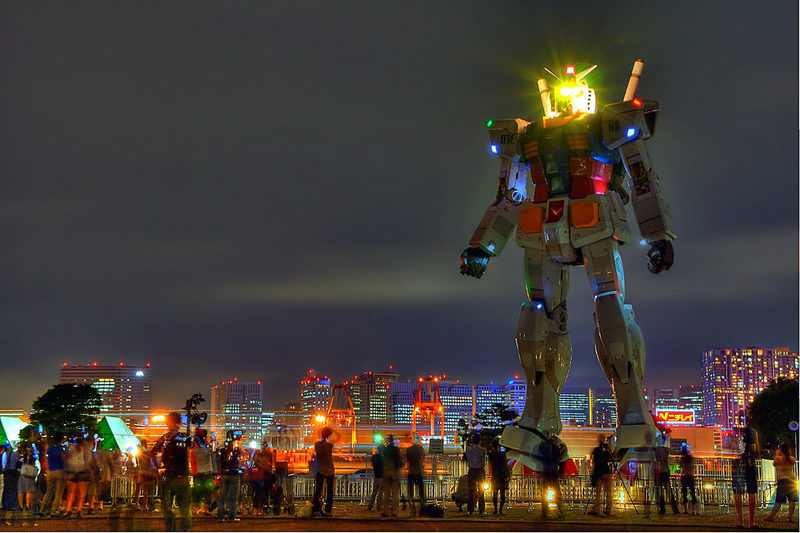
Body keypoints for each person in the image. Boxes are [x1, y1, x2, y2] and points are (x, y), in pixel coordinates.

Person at [153, 412, 191, 531]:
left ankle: (172, 527)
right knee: (183, 506)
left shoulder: (165, 438)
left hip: (171, 475)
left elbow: (153, 452)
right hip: (181, 475)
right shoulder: (185, 437)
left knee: (168, 505)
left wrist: (159, 467)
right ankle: (182, 528)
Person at [732, 426, 760, 529]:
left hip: (738, 466)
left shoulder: (740, 442)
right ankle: (752, 521)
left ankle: (739, 521)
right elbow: (756, 455)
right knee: (752, 492)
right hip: (751, 466)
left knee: (738, 492)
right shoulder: (754, 445)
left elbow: (734, 453)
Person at [765, 443, 797, 522]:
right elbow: (793, 462)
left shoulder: (777, 459)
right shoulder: (792, 459)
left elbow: (774, 464)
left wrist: (778, 453)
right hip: (792, 481)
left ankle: (771, 516)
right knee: (792, 501)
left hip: (782, 481)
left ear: (781, 450)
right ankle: (790, 517)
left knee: (778, 500)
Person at [217, 432, 242, 522]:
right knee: (233, 497)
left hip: (224, 474)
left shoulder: (223, 450)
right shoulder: (236, 450)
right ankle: (231, 517)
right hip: (234, 474)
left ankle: (221, 516)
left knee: (222, 497)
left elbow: (219, 461)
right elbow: (240, 460)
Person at [63, 437, 92, 517]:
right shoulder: (86, 450)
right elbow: (88, 461)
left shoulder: (71, 448)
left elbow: (66, 459)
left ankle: (68, 509)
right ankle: (79, 509)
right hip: (82, 471)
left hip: (72, 471)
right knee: (81, 492)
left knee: (71, 492)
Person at [311, 427, 336, 517]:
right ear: (329, 435)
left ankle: (315, 509)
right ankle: (328, 510)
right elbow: (339, 438)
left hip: (321, 470)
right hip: (329, 470)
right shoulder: (329, 446)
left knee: (318, 490)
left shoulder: (317, 445)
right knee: (330, 492)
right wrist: (334, 430)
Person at [189, 430, 215, 516]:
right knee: (208, 492)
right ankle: (206, 509)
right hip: (207, 474)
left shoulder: (194, 451)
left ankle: (195, 509)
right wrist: (212, 439)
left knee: (198, 492)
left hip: (198, 474)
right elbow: (214, 450)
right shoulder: (206, 451)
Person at [539, 434, 564, 519]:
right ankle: (561, 511)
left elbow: (540, 456)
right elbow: (559, 459)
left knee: (544, 492)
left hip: (546, 471)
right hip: (553, 471)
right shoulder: (555, 448)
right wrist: (561, 470)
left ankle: (544, 512)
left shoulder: (543, 446)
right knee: (557, 492)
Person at [40, 436, 66, 517]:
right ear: (61, 440)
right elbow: (64, 458)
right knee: (58, 492)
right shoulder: (60, 448)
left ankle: (43, 509)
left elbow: (46, 457)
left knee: (49, 491)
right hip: (59, 471)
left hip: (51, 471)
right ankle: (54, 510)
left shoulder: (50, 448)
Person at [589, 434, 613, 516]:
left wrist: (593, 473)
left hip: (599, 473)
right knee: (608, 492)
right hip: (606, 472)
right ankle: (608, 509)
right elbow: (610, 458)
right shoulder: (607, 450)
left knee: (598, 492)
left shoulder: (596, 451)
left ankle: (596, 509)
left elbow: (594, 462)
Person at [654, 437, 679, 514]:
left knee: (661, 491)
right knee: (668, 490)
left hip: (661, 472)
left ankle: (662, 509)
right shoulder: (666, 449)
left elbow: (657, 459)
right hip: (666, 471)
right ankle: (674, 509)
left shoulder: (657, 449)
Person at [463, 434, 486, 515]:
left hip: (471, 470)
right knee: (481, 490)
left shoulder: (468, 449)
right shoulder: (483, 450)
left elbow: (465, 457)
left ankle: (470, 509)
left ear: (472, 441)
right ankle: (482, 510)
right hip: (480, 470)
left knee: (470, 491)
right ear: (480, 440)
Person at [380, 435, 401, 518]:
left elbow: (383, 460)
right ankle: (395, 511)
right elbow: (399, 461)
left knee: (387, 493)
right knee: (395, 493)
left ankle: (386, 511)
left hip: (386, 471)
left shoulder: (385, 450)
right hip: (395, 472)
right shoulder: (396, 450)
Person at [488, 440, 509, 515]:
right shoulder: (502, 454)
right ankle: (500, 510)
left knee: (495, 494)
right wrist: (508, 475)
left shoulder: (491, 455)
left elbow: (490, 464)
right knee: (502, 494)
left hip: (494, 476)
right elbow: (505, 465)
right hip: (502, 475)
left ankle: (495, 509)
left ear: (492, 447)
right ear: (498, 446)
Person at [405, 437, 425, 516]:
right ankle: (421, 508)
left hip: (411, 472)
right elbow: (422, 459)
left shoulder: (409, 450)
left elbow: (408, 460)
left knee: (411, 492)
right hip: (418, 472)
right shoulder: (420, 449)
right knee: (421, 492)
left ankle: (412, 509)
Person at [135, 440, 157, 511]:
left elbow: (138, 463)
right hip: (144, 472)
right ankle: (143, 505)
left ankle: (139, 505)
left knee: (140, 489)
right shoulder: (146, 454)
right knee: (144, 489)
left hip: (141, 471)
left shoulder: (139, 454)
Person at [17, 445, 38, 516]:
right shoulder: (32, 458)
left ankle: (20, 505)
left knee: (21, 491)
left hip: (22, 475)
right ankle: (28, 505)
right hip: (29, 476)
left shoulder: (22, 458)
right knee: (29, 491)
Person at [2, 442, 20, 518]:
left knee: (7, 489)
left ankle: (6, 504)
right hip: (13, 473)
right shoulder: (14, 454)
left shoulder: (5, 454)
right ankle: (12, 504)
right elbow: (16, 462)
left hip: (7, 473)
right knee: (12, 489)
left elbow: (4, 465)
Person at [679, 443, 697, 515]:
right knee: (692, 493)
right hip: (690, 476)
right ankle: (693, 510)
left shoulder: (682, 459)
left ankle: (686, 510)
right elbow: (693, 465)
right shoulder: (691, 458)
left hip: (684, 476)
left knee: (684, 494)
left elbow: (680, 466)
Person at [367, 445, 383, 512]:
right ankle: (378, 506)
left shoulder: (374, 457)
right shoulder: (383, 458)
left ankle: (370, 505)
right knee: (380, 493)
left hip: (376, 475)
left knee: (374, 492)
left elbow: (372, 464)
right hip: (382, 476)